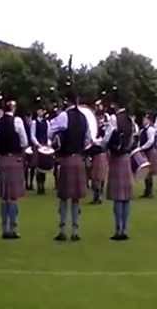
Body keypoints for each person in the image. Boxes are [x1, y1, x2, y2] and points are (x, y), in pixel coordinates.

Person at [49, 91, 91, 242]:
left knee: (63, 197)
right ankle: (75, 230)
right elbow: (88, 139)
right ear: (78, 100)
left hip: (66, 159)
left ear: (67, 101)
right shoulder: (84, 117)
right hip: (78, 158)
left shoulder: (63, 116)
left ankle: (62, 230)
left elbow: (51, 131)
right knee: (76, 198)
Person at [98, 98, 135, 240]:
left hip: (116, 158)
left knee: (118, 198)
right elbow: (132, 139)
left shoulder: (114, 118)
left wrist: (100, 145)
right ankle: (125, 228)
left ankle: (118, 229)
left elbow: (107, 138)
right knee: (125, 198)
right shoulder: (130, 120)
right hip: (126, 157)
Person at [0, 100, 28, 239]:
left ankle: (4, 228)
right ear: (13, 108)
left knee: (4, 197)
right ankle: (13, 227)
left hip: (3, 160)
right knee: (13, 197)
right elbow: (24, 141)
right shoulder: (17, 121)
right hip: (14, 159)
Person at [88, 109, 109, 204]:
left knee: (98, 177)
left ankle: (98, 197)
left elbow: (104, 142)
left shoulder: (103, 129)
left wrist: (95, 141)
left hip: (100, 154)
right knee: (94, 177)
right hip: (94, 155)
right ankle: (97, 196)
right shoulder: (93, 129)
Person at [30, 103, 51, 195]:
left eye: (41, 110)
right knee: (38, 167)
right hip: (38, 146)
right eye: (39, 110)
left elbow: (49, 134)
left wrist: (48, 143)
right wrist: (38, 144)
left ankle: (43, 185)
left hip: (45, 146)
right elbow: (32, 135)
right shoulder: (34, 122)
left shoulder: (47, 122)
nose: (40, 112)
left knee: (44, 166)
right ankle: (39, 186)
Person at [139, 114, 157, 198]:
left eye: (145, 119)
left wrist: (142, 147)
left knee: (149, 171)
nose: (143, 121)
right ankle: (147, 190)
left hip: (150, 151)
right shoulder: (142, 130)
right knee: (145, 171)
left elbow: (151, 141)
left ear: (149, 120)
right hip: (145, 151)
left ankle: (150, 191)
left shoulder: (150, 129)